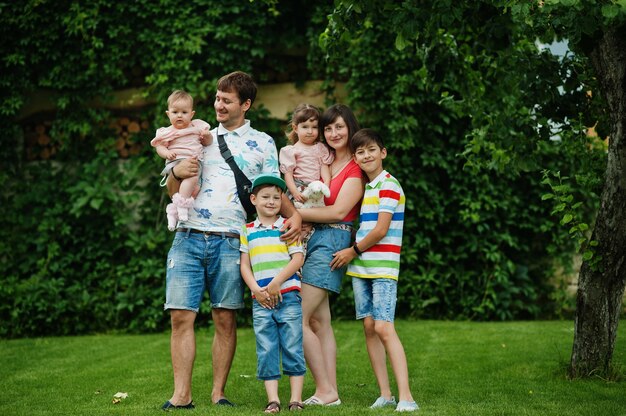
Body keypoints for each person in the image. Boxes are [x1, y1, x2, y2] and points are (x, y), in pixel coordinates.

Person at [160, 71, 302, 411]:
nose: (218, 105)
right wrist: (176, 174)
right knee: (180, 315)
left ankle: (218, 392)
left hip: (231, 240)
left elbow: (274, 191)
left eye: (226, 100)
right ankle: (181, 395)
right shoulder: (197, 133)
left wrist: (295, 215)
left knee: (224, 317)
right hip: (188, 234)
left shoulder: (264, 143)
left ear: (245, 104)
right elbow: (172, 188)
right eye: (217, 98)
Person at [331, 128, 418, 412]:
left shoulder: (389, 185)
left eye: (371, 150)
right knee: (369, 328)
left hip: (382, 268)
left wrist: (351, 251)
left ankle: (407, 398)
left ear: (383, 152)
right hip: (361, 269)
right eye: (360, 152)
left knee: (383, 326)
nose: (366, 155)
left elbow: (380, 230)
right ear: (355, 158)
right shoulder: (365, 188)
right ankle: (386, 394)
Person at [295, 104, 365, 406]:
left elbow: (339, 211)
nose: (333, 133)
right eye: (328, 128)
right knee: (320, 322)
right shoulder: (323, 162)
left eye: (339, 127)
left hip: (333, 237)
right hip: (316, 237)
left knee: (298, 316)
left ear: (350, 127)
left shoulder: (354, 168)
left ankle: (324, 389)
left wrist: (297, 214)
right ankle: (330, 392)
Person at [239, 175, 306, 413]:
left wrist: (277, 281)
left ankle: (296, 399)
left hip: (287, 295)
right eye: (265, 197)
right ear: (254, 199)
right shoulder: (247, 231)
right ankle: (273, 400)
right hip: (262, 300)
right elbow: (244, 265)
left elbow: (297, 258)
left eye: (276, 198)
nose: (271, 202)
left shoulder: (288, 227)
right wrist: (255, 289)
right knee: (266, 348)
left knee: (292, 345)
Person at [150, 90, 212, 230]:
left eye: (184, 112)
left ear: (192, 114)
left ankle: (173, 211)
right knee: (191, 180)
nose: (179, 115)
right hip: (175, 161)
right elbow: (159, 147)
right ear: (168, 114)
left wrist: (206, 136)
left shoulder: (197, 126)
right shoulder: (167, 132)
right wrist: (167, 153)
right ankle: (182, 207)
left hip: (194, 162)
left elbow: (208, 142)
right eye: (175, 112)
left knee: (195, 190)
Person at [279, 103, 333, 205]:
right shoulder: (291, 150)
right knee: (298, 214)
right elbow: (288, 174)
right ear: (295, 128)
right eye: (305, 127)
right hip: (298, 187)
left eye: (314, 127)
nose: (310, 131)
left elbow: (324, 169)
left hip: (315, 187)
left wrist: (325, 184)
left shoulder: (320, 148)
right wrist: (295, 192)